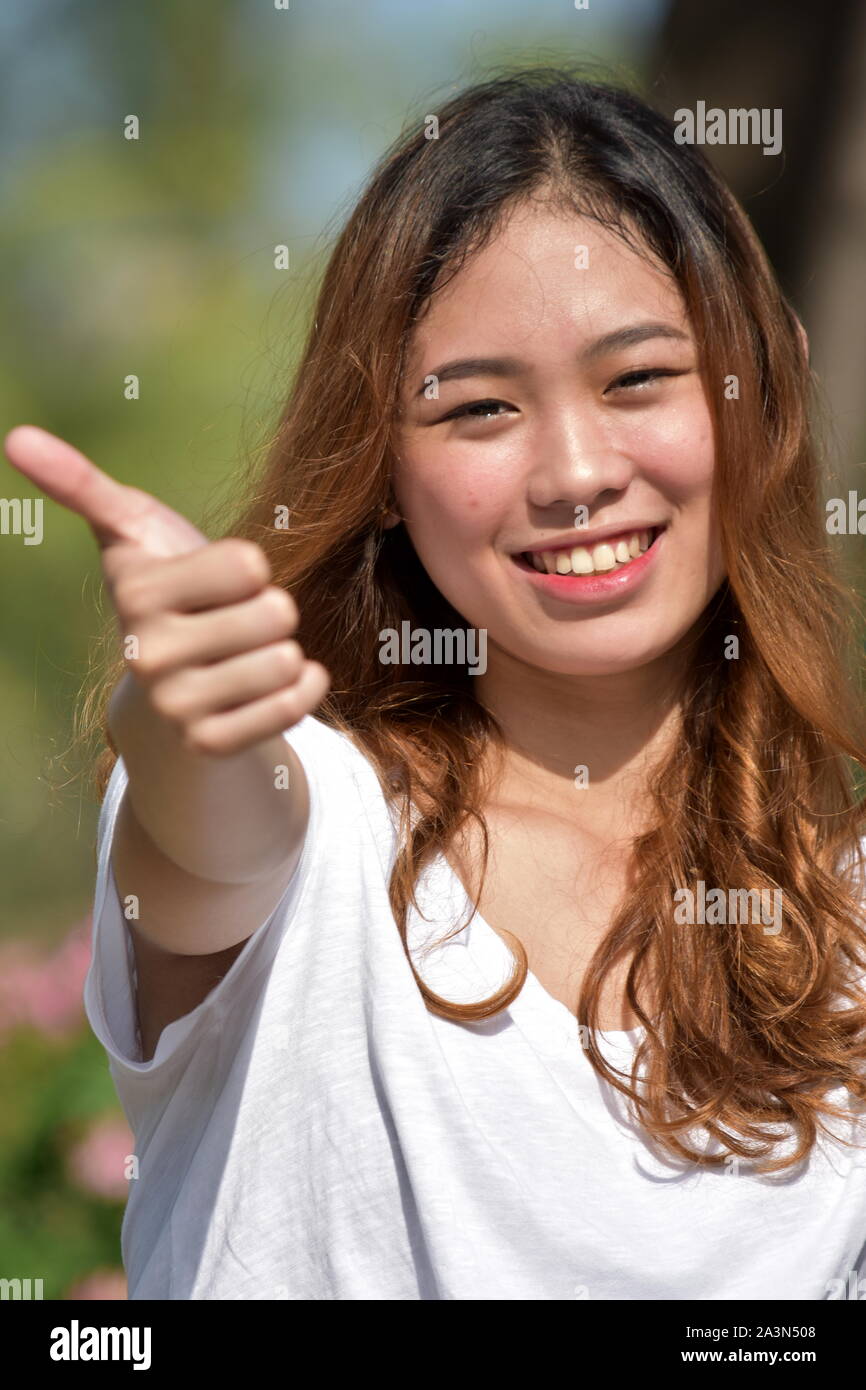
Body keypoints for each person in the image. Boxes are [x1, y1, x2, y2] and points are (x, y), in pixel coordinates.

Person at [7, 68, 866, 1302]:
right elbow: (211, 824)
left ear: (754, 398)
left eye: (636, 380)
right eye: (477, 409)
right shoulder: (322, 821)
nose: (573, 471)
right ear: (383, 469)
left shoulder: (833, 906)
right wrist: (182, 715)